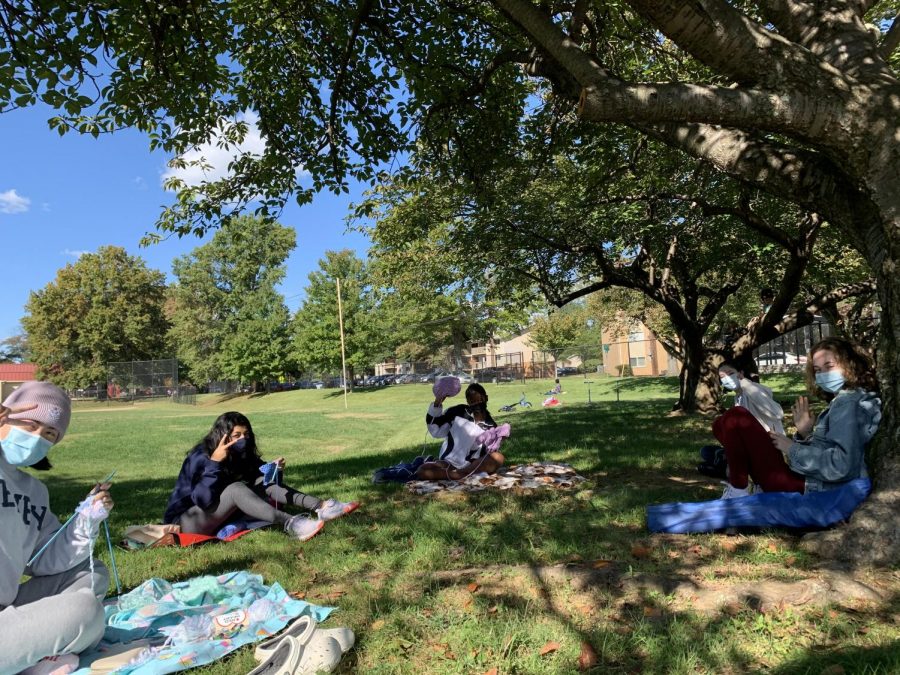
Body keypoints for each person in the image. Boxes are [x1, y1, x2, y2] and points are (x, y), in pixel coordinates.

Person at [0, 381, 114, 675]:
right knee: (86, 614)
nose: (37, 437)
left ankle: (29, 657)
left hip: (7, 608)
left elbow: (43, 561)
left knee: (91, 574)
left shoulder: (34, 492)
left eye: (49, 433)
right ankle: (34, 655)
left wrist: (86, 519)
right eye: (29, 425)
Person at [715, 337, 880, 498]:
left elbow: (840, 466)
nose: (822, 374)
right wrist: (805, 433)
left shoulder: (848, 403)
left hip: (810, 489)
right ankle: (744, 481)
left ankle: (738, 489)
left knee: (736, 416)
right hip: (807, 480)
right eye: (817, 370)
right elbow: (827, 451)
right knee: (720, 424)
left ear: (850, 365)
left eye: (829, 366)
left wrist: (791, 448)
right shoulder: (844, 401)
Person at [163, 412, 358, 542]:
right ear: (222, 436)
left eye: (246, 434)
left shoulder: (241, 452)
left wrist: (273, 469)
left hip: (218, 514)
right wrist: (215, 463)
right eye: (236, 435)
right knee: (235, 490)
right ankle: (292, 524)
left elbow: (263, 480)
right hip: (186, 522)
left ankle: (322, 507)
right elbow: (202, 500)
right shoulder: (201, 457)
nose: (243, 440)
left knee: (262, 479)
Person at [416, 383, 505, 481]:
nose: (477, 404)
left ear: (486, 398)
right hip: (449, 463)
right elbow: (435, 430)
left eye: (480, 399)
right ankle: (460, 475)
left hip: (471, 466)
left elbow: (488, 454)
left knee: (498, 457)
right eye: (472, 401)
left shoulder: (491, 426)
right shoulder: (457, 412)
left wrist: (499, 440)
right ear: (468, 402)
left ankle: (458, 474)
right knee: (422, 470)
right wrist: (437, 402)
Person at [717, 362, 785, 434]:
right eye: (722, 376)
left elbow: (776, 413)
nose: (727, 378)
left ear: (740, 373)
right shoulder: (738, 396)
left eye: (731, 373)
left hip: (772, 440)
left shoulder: (755, 389)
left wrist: (746, 384)